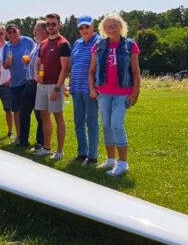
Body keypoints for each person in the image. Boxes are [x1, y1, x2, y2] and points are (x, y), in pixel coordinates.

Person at [89, 13, 142, 176]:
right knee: (106, 125)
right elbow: (91, 70)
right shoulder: (98, 46)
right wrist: (92, 89)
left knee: (116, 124)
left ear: (121, 26)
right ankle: (111, 160)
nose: (111, 28)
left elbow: (135, 71)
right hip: (103, 93)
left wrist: (135, 93)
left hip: (123, 93)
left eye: (115, 25)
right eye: (108, 26)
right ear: (103, 29)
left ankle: (123, 163)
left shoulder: (130, 45)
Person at [34, 13, 71, 160]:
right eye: (48, 24)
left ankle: (60, 151)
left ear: (59, 25)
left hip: (55, 86)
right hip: (42, 85)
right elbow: (37, 63)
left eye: (53, 24)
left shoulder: (63, 43)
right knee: (44, 117)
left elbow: (65, 69)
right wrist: (36, 75)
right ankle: (47, 147)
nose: (50, 26)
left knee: (58, 117)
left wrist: (57, 88)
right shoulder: (42, 43)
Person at [69, 15, 101, 165]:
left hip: (90, 90)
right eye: (81, 27)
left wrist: (95, 87)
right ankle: (82, 153)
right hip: (76, 88)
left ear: (93, 26)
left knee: (91, 122)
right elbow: (73, 64)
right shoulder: (77, 43)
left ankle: (92, 156)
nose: (84, 30)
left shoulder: (99, 42)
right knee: (78, 122)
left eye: (86, 27)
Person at [1, 24, 36, 147]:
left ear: (19, 31)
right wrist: (6, 64)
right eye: (9, 32)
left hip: (29, 81)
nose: (12, 34)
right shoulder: (7, 46)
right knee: (16, 110)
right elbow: (4, 66)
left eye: (14, 31)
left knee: (34, 111)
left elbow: (38, 55)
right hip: (15, 83)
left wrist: (29, 60)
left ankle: (39, 141)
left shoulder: (28, 41)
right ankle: (20, 136)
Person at [22, 21, 48, 153]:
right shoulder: (35, 45)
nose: (34, 32)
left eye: (36, 30)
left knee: (40, 115)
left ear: (43, 31)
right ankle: (23, 140)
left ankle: (40, 143)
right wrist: (26, 63)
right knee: (24, 112)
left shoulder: (46, 45)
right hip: (29, 83)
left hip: (38, 84)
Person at [0, 25, 15, 139]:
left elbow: (16, 66)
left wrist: (10, 80)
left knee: (9, 110)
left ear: (5, 34)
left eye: (1, 33)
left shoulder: (10, 46)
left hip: (7, 83)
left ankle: (10, 131)